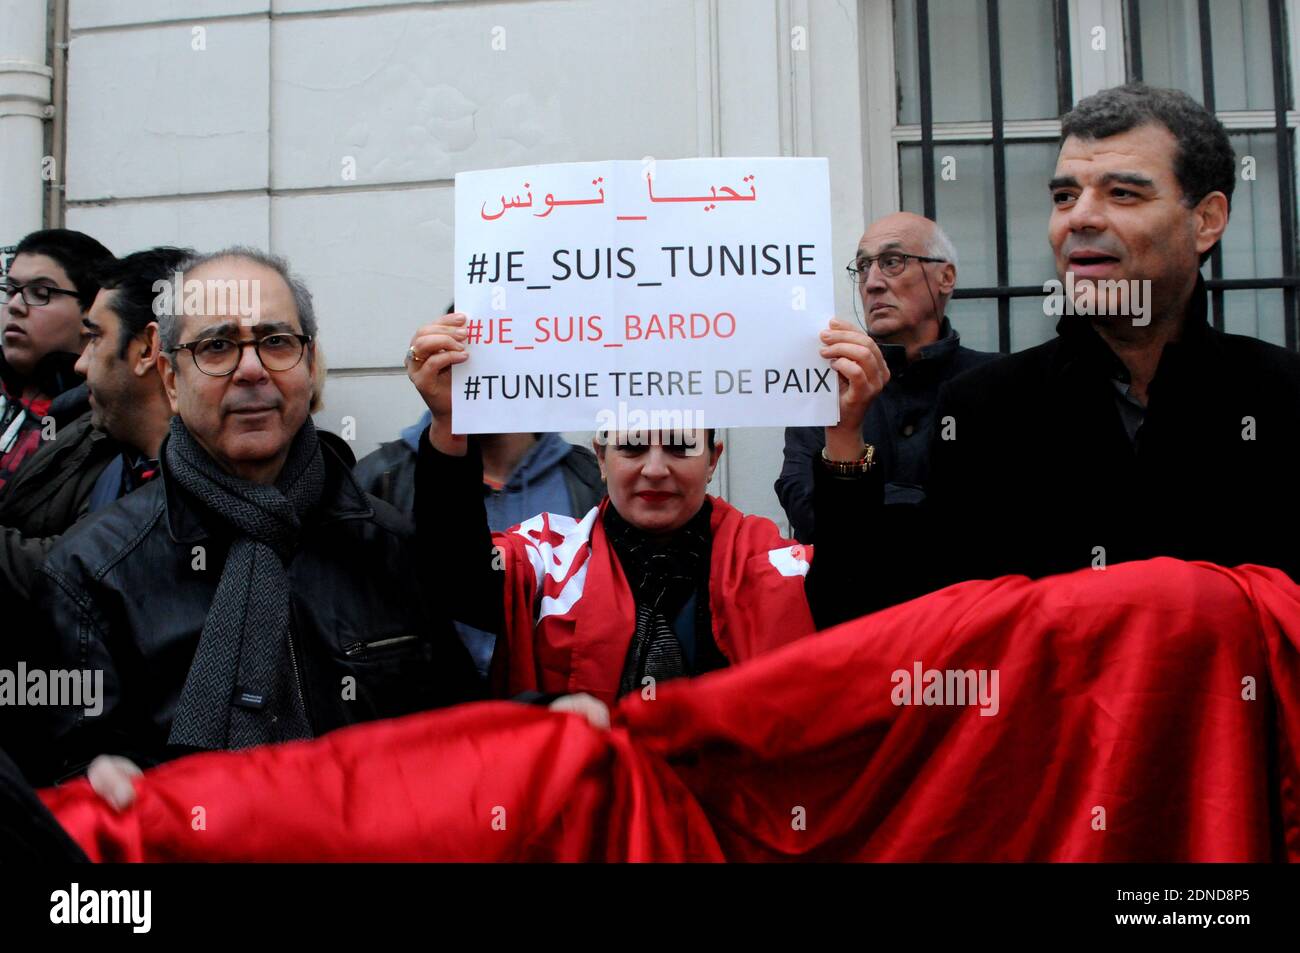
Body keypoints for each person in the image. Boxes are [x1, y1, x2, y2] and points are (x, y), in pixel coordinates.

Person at [22, 247, 482, 794]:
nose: (251, 369)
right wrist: (106, 784)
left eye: (276, 341)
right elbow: (65, 781)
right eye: (216, 347)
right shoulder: (91, 572)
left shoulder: (387, 544)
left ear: (310, 365)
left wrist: (560, 718)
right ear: (169, 378)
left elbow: (462, 735)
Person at [848, 83, 1300, 616]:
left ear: (1206, 220)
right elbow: (902, 616)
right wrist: (843, 442)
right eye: (1064, 197)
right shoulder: (985, 408)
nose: (1078, 218)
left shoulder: (1284, 398)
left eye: (1123, 193)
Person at [405, 310, 890, 726]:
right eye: (633, 446)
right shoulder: (547, 557)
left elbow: (852, 595)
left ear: (713, 458)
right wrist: (449, 425)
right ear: (600, 455)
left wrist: (845, 432)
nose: (655, 469)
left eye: (680, 445)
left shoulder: (769, 562)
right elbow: (455, 575)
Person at [355, 306, 604, 675]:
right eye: (473, 355)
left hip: (560, 718)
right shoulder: (378, 479)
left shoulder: (593, 479)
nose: (489, 373)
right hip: (429, 717)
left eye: (507, 353)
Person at [776, 213, 998, 541]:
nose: (872, 282)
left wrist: (877, 501)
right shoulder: (827, 389)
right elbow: (808, 514)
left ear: (945, 277)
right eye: (863, 267)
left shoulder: (997, 382)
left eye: (892, 262)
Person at [0, 248, 187, 616]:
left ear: (147, 350)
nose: (81, 363)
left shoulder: (200, 486)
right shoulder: (98, 437)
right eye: (11, 290)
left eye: (95, 337)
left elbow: (67, 575)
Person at [0, 229, 114, 493]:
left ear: (92, 313)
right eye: (10, 289)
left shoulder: (109, 422)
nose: (15, 305)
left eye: (40, 293)